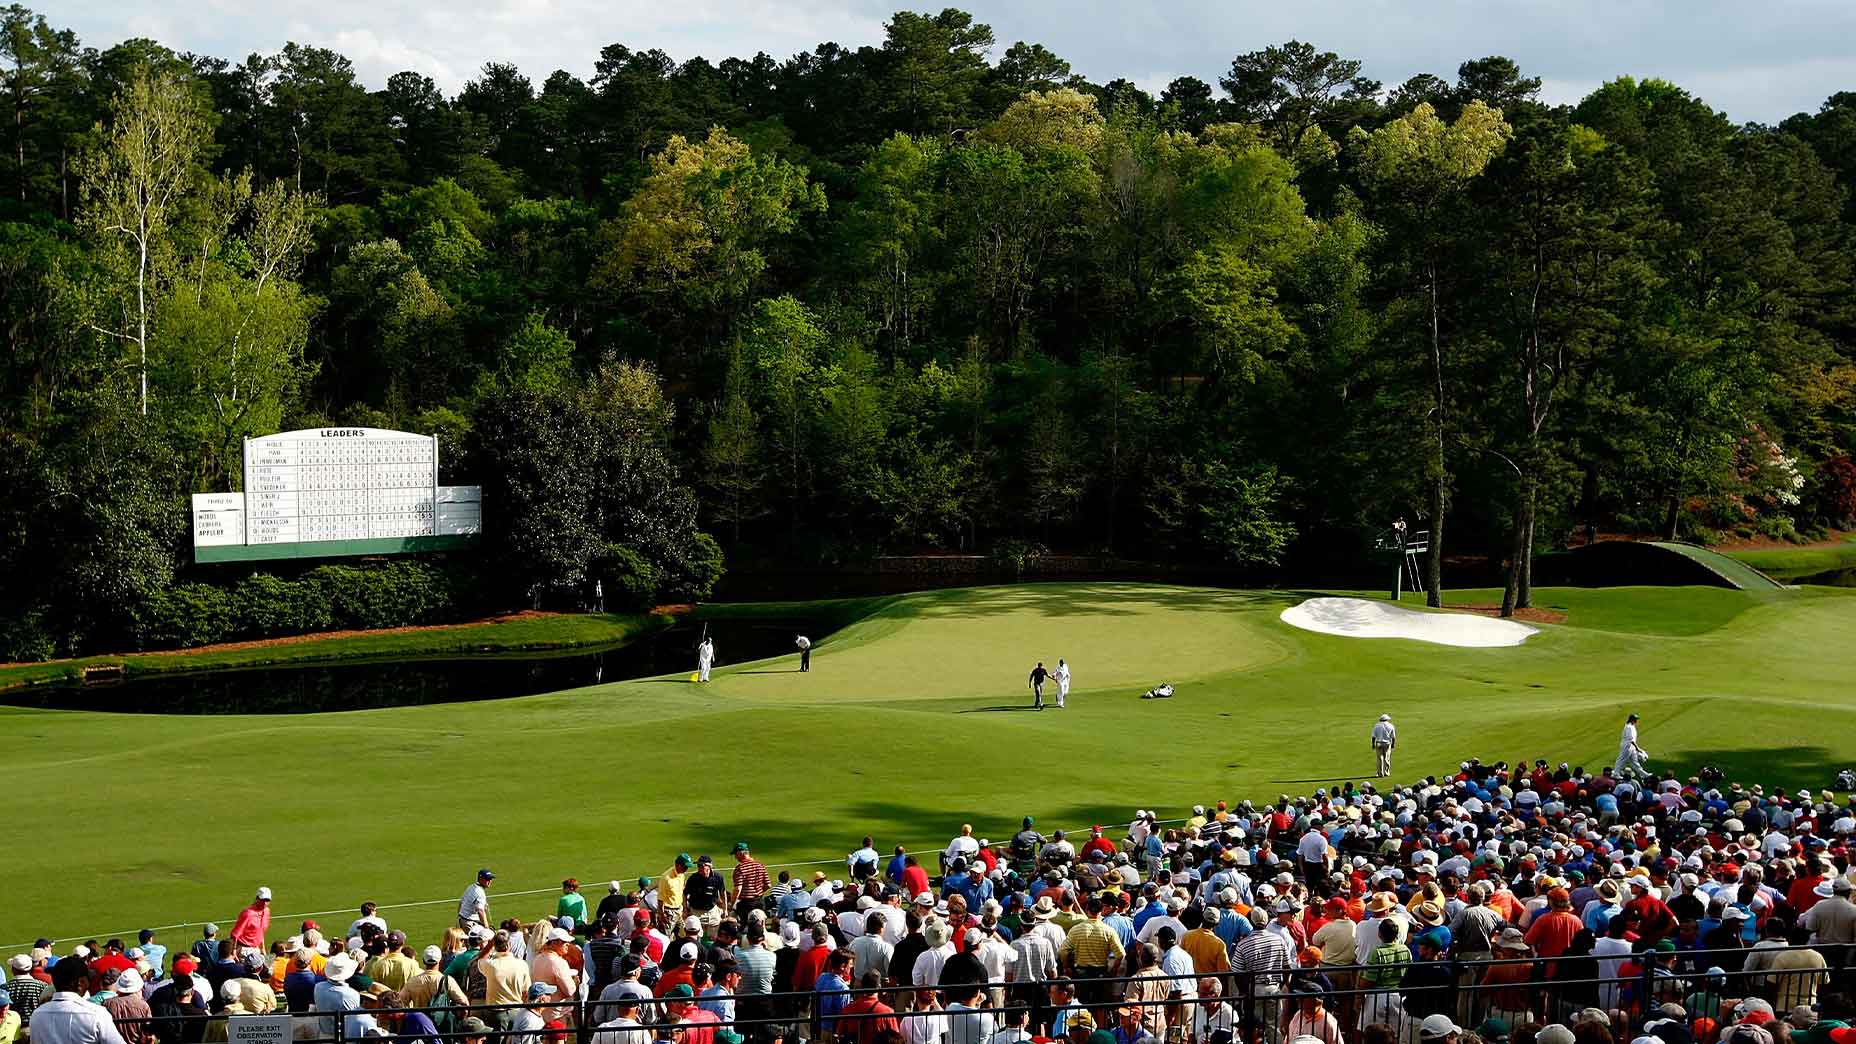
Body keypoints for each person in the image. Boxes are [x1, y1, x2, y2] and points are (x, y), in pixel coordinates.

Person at [231, 888, 272, 954]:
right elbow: (235, 935)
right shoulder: (248, 914)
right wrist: (234, 950)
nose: (265, 903)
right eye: (263, 900)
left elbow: (260, 932)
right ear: (257, 898)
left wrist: (262, 949)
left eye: (267, 900)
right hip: (244, 950)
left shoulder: (267, 911)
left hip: (256, 949)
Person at [1615, 713, 1646, 778]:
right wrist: (1637, 748)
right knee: (1621, 760)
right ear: (1631, 720)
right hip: (1627, 746)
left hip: (1631, 746)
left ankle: (1643, 774)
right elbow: (1631, 739)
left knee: (1634, 762)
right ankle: (1616, 774)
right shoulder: (1629, 727)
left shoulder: (1631, 726)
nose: (1636, 721)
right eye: (1635, 720)